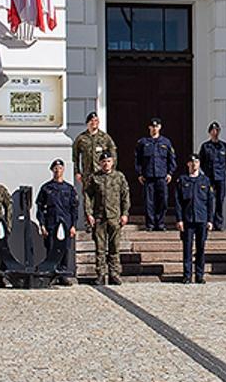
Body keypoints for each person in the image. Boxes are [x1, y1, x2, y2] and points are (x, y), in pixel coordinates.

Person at [84, 151, 131, 285]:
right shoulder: (94, 178)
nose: (106, 164)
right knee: (100, 248)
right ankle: (100, 274)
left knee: (114, 247)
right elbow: (88, 196)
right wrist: (89, 213)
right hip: (100, 217)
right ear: (100, 163)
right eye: (103, 161)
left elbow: (125, 196)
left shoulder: (119, 177)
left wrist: (125, 213)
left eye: (108, 161)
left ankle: (114, 274)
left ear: (113, 162)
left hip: (114, 217)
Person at [171, 154, 215, 283]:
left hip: (202, 219)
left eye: (196, 162)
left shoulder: (205, 181)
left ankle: (200, 275)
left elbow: (210, 202)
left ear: (199, 164)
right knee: (187, 248)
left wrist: (210, 220)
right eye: (192, 162)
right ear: (188, 164)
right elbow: (178, 202)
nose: (194, 164)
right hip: (188, 219)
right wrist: (179, 219)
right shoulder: (182, 180)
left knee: (201, 248)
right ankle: (187, 275)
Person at [37, 159, 81, 286]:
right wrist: (42, 225)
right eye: (55, 169)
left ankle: (62, 274)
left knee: (65, 249)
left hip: (66, 222)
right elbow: (40, 208)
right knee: (51, 248)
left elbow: (74, 208)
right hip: (51, 222)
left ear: (63, 170)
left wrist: (73, 225)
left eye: (60, 168)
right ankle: (51, 274)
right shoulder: (46, 188)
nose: (58, 171)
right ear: (52, 170)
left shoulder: (69, 188)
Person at [135, 117, 177, 231]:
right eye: (152, 126)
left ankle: (160, 223)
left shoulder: (166, 142)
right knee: (149, 202)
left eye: (157, 126)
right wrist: (139, 173)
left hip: (162, 176)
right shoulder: (143, 142)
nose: (154, 128)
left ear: (160, 127)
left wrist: (170, 173)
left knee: (163, 200)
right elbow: (138, 160)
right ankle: (150, 224)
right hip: (148, 176)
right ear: (149, 127)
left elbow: (171, 159)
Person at [199, 122, 226, 231]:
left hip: (220, 177)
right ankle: (209, 222)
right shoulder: (205, 146)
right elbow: (201, 161)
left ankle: (218, 224)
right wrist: (207, 172)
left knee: (220, 201)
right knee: (209, 200)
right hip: (209, 178)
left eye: (217, 130)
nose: (215, 132)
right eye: (213, 130)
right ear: (209, 132)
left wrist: (221, 171)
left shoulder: (224, 146)